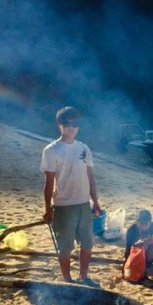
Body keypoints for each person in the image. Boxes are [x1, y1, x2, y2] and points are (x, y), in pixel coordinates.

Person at [41, 106, 101, 286]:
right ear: (59, 125)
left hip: (83, 203)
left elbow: (90, 177)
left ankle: (84, 277)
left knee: (87, 244)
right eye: (67, 123)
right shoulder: (51, 150)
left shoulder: (84, 148)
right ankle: (67, 279)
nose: (71, 127)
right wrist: (48, 209)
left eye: (75, 124)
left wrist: (95, 202)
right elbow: (49, 183)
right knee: (65, 247)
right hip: (63, 206)